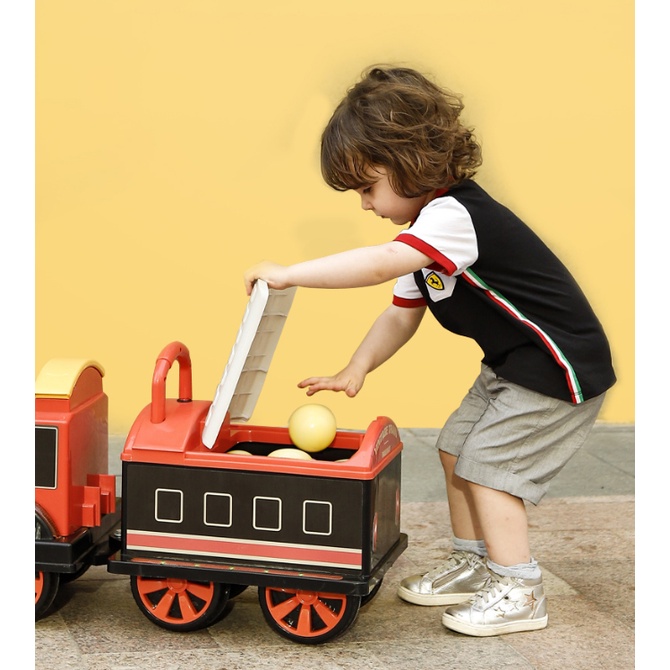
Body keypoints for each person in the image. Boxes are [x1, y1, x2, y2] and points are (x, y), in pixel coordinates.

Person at [243, 65, 616, 637]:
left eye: (367, 187)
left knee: (490, 470)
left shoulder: (453, 217)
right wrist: (357, 367)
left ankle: (520, 588)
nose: (364, 204)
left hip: (557, 366)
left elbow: (380, 264)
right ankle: (475, 561)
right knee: (454, 449)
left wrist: (291, 273)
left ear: (408, 160)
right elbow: (400, 312)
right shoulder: (428, 232)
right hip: (515, 364)